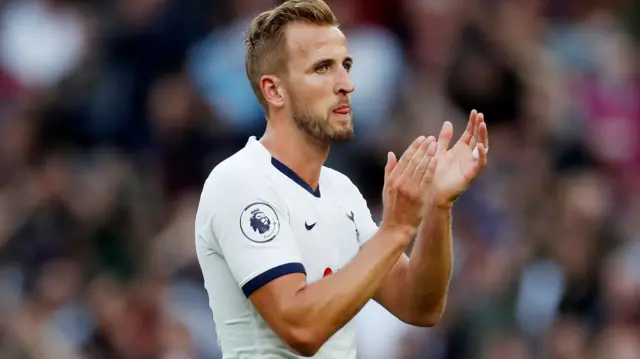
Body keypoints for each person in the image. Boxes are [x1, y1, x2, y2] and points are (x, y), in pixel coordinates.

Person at [194, 0, 489, 358]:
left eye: (345, 66)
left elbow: (418, 306)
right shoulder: (240, 182)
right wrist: (395, 230)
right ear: (274, 90)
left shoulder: (340, 191)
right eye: (322, 68)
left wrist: (439, 208)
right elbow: (301, 328)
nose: (346, 84)